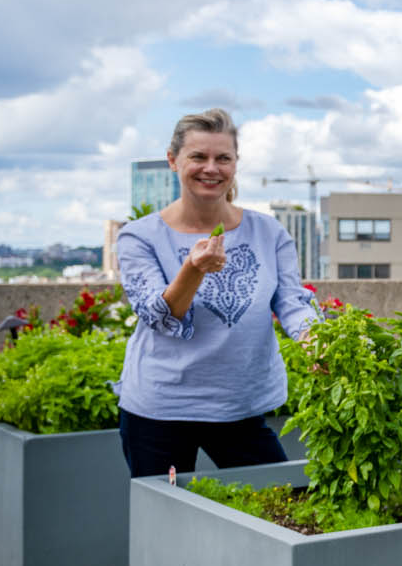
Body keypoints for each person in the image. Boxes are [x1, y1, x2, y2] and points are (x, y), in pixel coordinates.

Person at [114, 108, 318, 477]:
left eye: (223, 158)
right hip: (159, 409)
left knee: (278, 507)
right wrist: (192, 270)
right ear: (173, 160)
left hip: (240, 407)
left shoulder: (269, 233)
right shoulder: (139, 237)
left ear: (235, 164)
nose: (212, 168)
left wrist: (314, 340)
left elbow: (292, 302)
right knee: (164, 519)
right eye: (199, 157)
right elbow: (158, 317)